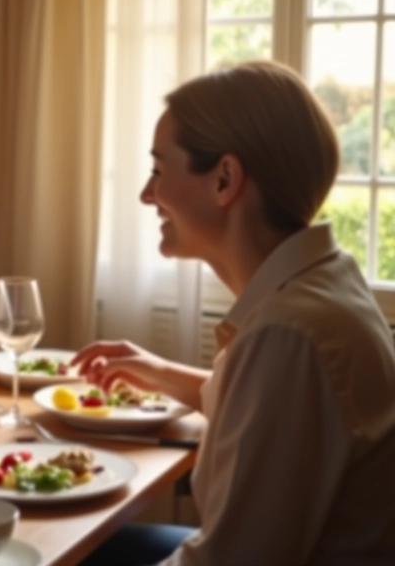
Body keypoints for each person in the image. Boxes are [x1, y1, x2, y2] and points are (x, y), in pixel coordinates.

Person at [74, 60, 395, 564]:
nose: (146, 194)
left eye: (158, 170)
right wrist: (160, 373)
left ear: (224, 179)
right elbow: (273, 413)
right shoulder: (323, 285)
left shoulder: (288, 333)